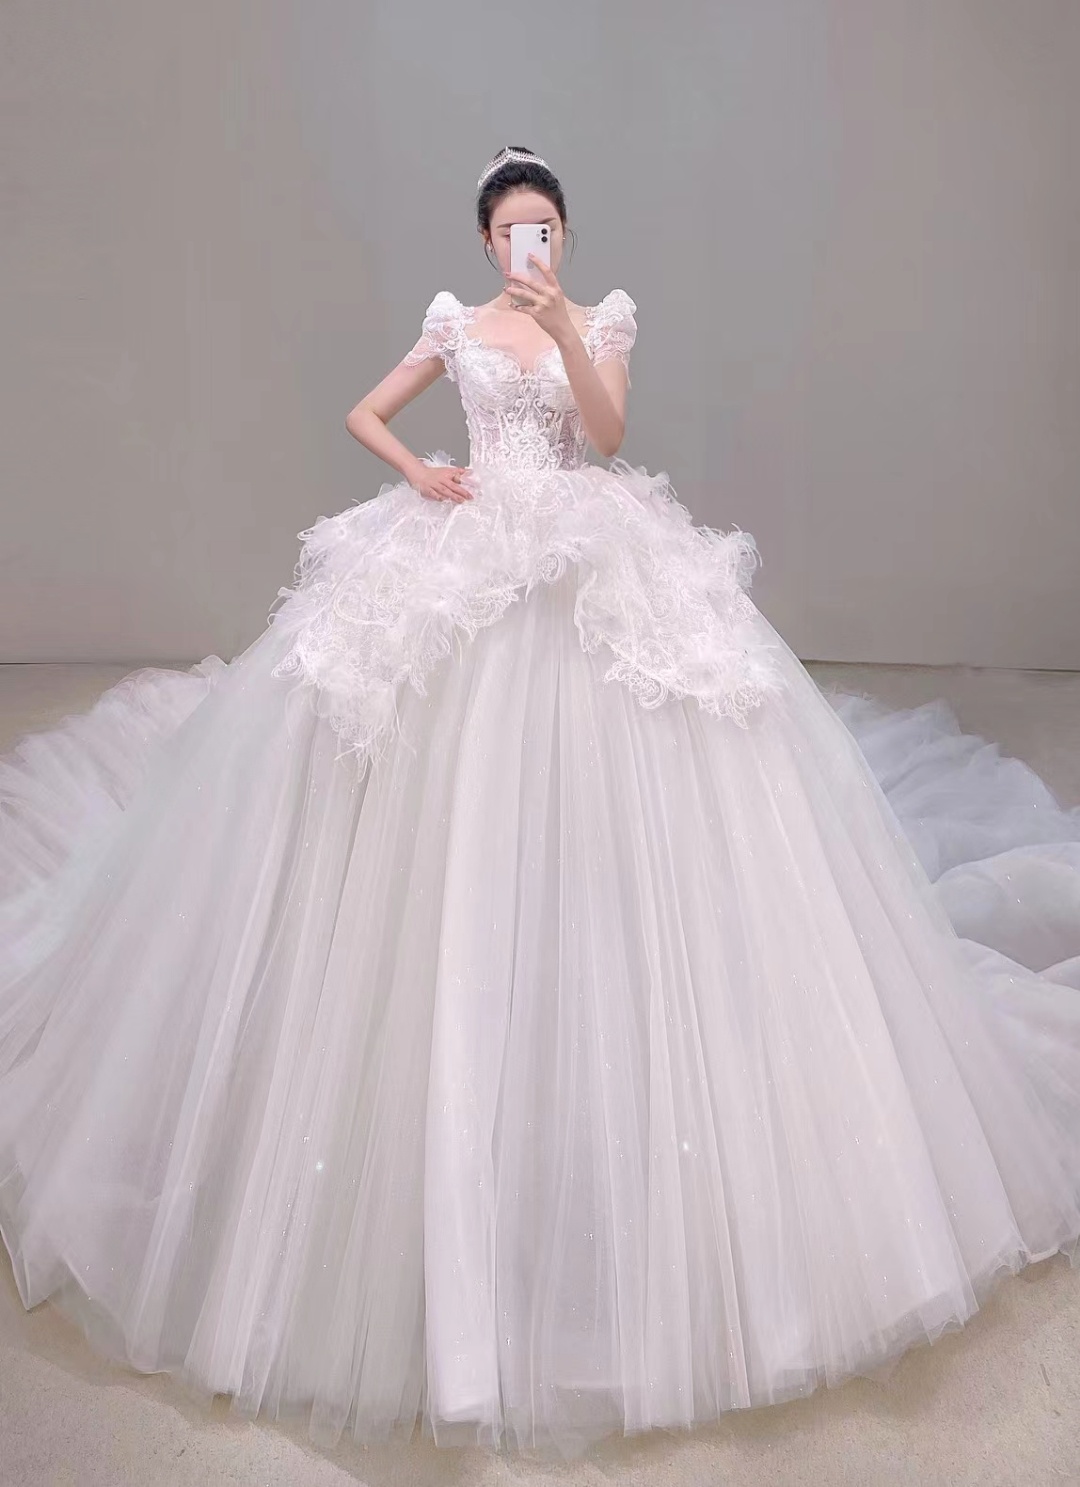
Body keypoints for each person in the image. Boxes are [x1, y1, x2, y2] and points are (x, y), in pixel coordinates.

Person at [0, 143, 1078, 1464]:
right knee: (424, 790)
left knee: (634, 782)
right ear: (485, 241)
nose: (534, 247)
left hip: (579, 550)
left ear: (563, 235)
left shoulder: (597, 319)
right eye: (517, 232)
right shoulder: (455, 327)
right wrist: (418, 474)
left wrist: (568, 326)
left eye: (549, 229)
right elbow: (369, 412)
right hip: (468, 550)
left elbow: (608, 437)